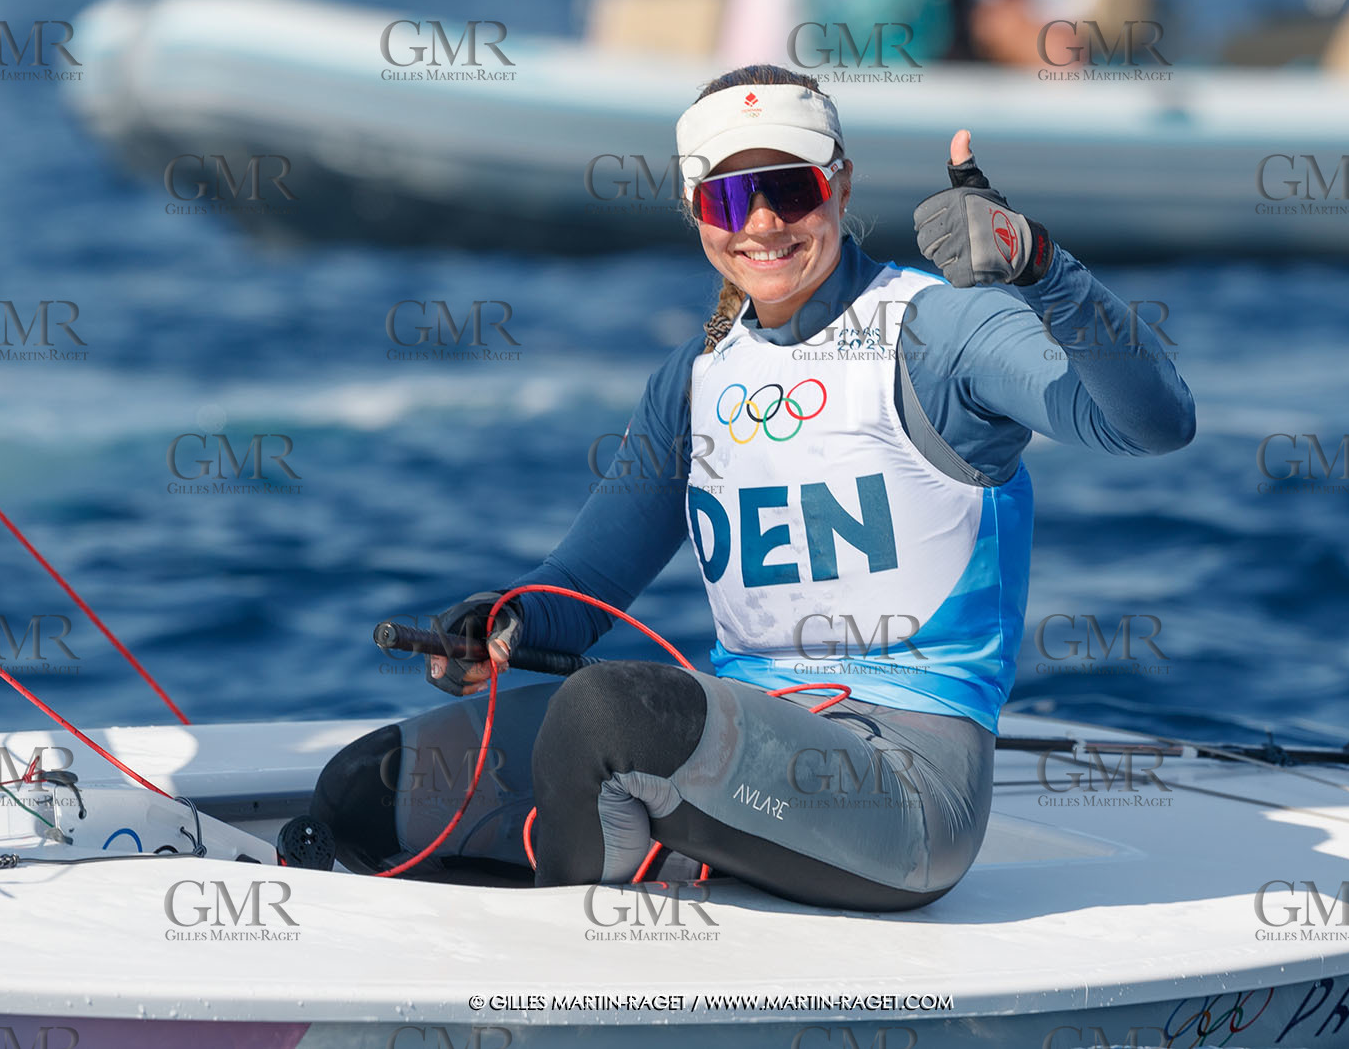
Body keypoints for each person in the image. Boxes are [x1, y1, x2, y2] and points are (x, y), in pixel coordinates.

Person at [311, 63, 1194, 912]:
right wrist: (502, 621)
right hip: (746, 759)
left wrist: (1038, 264)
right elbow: (580, 589)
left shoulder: (941, 329)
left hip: (906, 787)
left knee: (606, 713)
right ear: (696, 211)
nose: (763, 222)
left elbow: (1152, 423)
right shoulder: (694, 377)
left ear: (841, 186)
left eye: (792, 188)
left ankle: (571, 992)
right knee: (366, 788)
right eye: (730, 198)